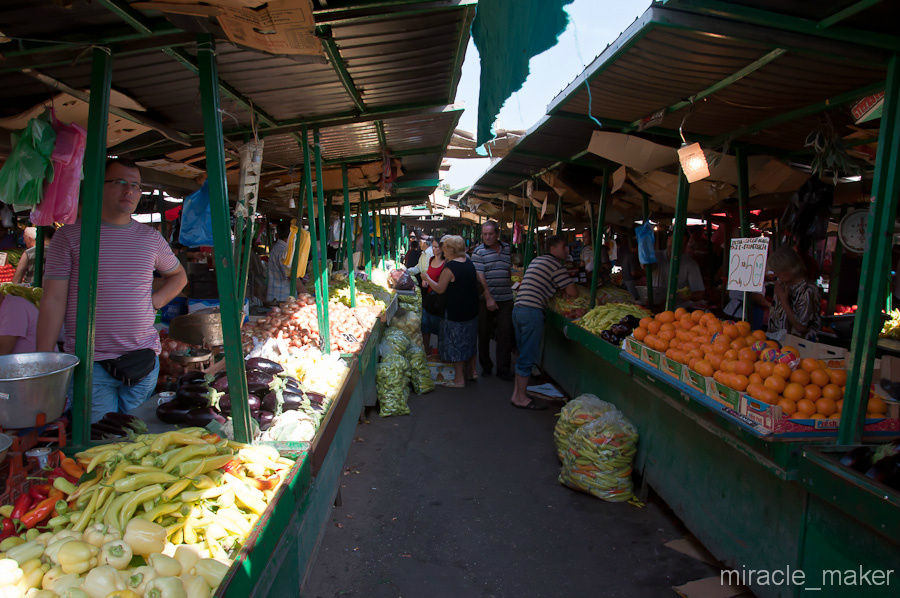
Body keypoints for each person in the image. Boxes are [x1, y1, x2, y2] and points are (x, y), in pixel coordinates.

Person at [37, 158, 187, 422]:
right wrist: (44, 361)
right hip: (91, 366)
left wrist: (155, 301)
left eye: (136, 186)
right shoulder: (70, 237)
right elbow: (53, 299)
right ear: (98, 186)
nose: (129, 191)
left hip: (143, 363)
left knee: (136, 441)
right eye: (119, 183)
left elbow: (178, 275)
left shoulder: (150, 238)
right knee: (102, 445)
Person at [510, 235, 577, 409]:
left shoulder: (537, 260)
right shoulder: (555, 265)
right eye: (564, 246)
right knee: (527, 355)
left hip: (518, 309)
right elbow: (572, 292)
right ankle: (521, 398)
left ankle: (516, 394)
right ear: (553, 248)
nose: (567, 250)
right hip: (532, 312)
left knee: (522, 352)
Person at [422, 235, 478, 387]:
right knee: (469, 342)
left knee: (456, 344)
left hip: (456, 311)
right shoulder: (468, 262)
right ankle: (471, 372)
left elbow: (440, 288)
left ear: (451, 250)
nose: (442, 251)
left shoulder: (450, 267)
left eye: (445, 249)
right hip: (471, 309)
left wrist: (426, 277)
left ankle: (459, 379)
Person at [471, 220, 514, 379]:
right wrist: (489, 298)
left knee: (505, 334)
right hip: (485, 299)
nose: (487, 237)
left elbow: (508, 269)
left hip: (506, 298)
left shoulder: (507, 248)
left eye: (490, 234)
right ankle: (486, 366)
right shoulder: (478, 251)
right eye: (484, 234)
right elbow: (480, 276)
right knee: (484, 333)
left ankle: (503, 369)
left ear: (497, 234)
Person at [765, 246, 821, 340]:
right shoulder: (783, 284)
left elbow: (801, 327)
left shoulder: (807, 291)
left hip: (798, 347)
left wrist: (784, 301)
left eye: (778, 271)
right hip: (776, 343)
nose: (775, 275)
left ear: (789, 270)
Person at [652, 233, 705, 304]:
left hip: (679, 308)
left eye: (680, 244)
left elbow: (699, 293)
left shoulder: (690, 264)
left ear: (685, 246)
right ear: (668, 240)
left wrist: (686, 296)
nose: (675, 246)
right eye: (672, 242)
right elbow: (644, 267)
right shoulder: (655, 257)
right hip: (655, 302)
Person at [420, 238, 445, 354]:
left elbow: (441, 284)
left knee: (439, 328)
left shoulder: (445, 264)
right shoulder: (431, 260)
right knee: (425, 326)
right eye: (433, 247)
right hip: (429, 297)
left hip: (438, 300)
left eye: (437, 247)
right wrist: (425, 281)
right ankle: (426, 350)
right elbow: (429, 276)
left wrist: (428, 280)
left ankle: (440, 352)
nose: (434, 249)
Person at [267, 221, 294, 303]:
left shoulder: (278, 248)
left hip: (276, 295)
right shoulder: (283, 251)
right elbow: (291, 275)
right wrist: (306, 293)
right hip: (280, 298)